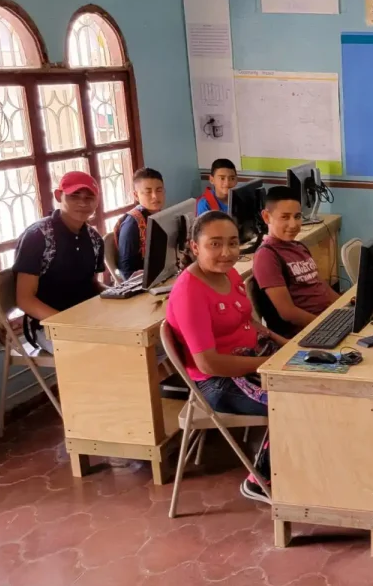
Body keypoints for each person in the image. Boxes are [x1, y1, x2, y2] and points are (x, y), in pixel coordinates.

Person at [165, 211, 287, 502]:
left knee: (319, 379)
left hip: (250, 358)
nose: (227, 252)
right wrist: (268, 364)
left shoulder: (229, 272)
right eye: (215, 244)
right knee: (293, 401)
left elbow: (248, 321)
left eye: (233, 243)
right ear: (195, 247)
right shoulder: (190, 292)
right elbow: (208, 363)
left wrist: (286, 345)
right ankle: (259, 480)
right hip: (216, 382)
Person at [13, 171, 106, 353]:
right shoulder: (39, 236)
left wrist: (119, 294)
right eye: (74, 196)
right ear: (58, 196)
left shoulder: (95, 239)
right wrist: (68, 323)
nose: (82, 203)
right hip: (48, 325)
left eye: (90, 197)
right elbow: (25, 299)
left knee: (133, 340)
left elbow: (91, 284)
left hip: (87, 319)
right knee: (96, 351)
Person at [252, 185, 340, 336]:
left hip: (326, 321)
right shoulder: (267, 256)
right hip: (305, 333)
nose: (293, 224)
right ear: (266, 217)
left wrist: (346, 306)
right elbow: (288, 313)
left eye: (297, 216)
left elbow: (321, 287)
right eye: (285, 217)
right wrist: (327, 327)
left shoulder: (299, 247)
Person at [114, 168, 167, 281]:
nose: (155, 196)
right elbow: (126, 271)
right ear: (136, 195)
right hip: (143, 283)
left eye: (159, 190)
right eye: (148, 192)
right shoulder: (132, 224)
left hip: (163, 275)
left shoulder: (161, 215)